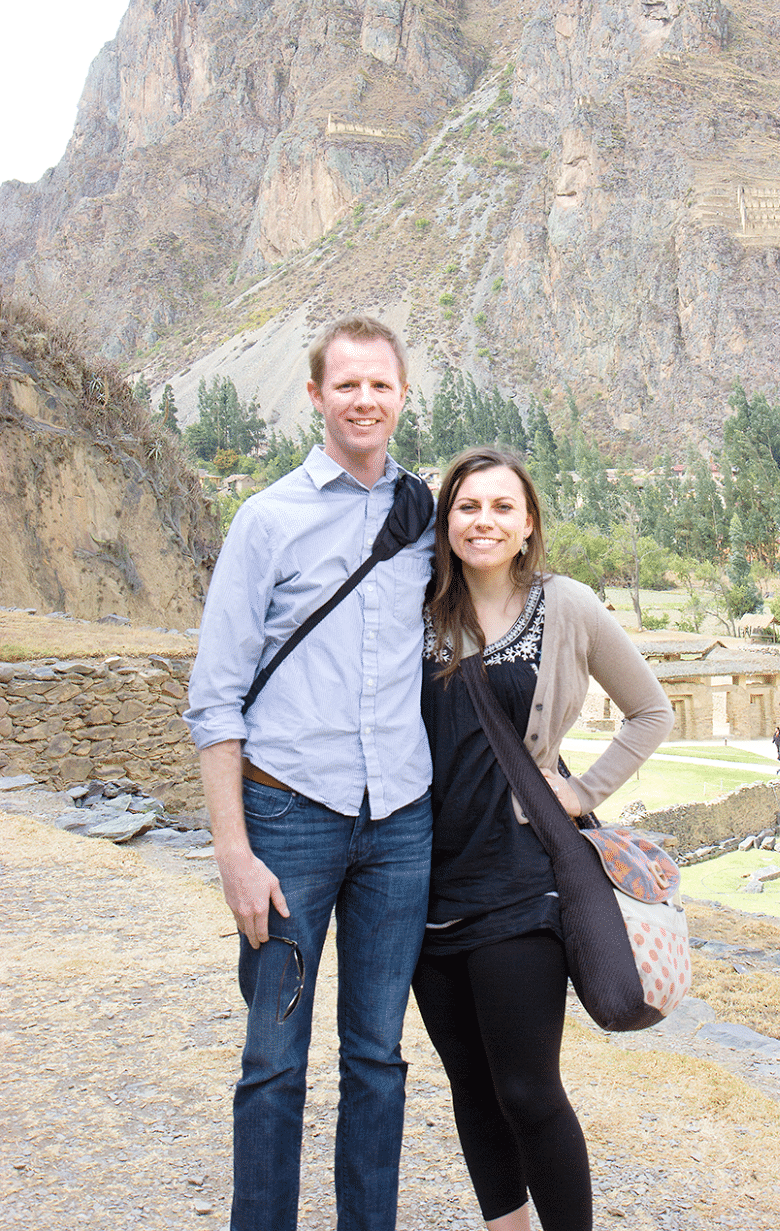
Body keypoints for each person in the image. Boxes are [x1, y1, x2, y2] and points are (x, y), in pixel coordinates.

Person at [183, 316, 435, 1231]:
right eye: (347, 385)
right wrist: (233, 852)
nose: (364, 400)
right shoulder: (268, 520)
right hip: (289, 821)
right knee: (274, 1059)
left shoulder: (427, 515)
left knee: (377, 1056)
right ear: (316, 396)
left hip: (402, 823)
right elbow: (214, 701)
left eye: (380, 385)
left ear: (401, 395)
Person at [412, 447, 673, 1231]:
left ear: (527, 525)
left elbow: (650, 712)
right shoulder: (417, 606)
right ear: (446, 520)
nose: (482, 521)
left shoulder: (567, 605)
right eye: (466, 507)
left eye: (500, 508)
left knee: (526, 1088)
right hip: (422, 878)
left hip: (523, 878)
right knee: (469, 1081)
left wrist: (583, 788)